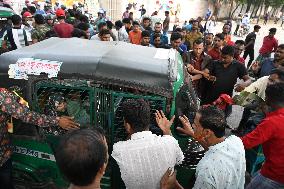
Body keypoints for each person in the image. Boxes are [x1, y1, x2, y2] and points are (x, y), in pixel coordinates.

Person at [0, 88, 79, 188]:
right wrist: (57, 121)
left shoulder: (3, 96)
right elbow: (27, 116)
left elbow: (25, 113)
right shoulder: (2, 96)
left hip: (3, 156)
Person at [160, 106, 246, 189]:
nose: (192, 126)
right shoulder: (236, 142)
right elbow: (213, 150)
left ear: (207, 132)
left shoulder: (206, 170)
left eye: (195, 125)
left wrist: (174, 185)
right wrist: (193, 134)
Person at [111, 99, 184, 189]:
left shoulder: (118, 151)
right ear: (148, 121)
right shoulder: (170, 142)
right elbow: (179, 160)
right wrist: (167, 131)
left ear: (127, 125)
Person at [241, 83, 284, 189]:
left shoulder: (271, 122)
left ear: (268, 99)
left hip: (274, 174)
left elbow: (244, 143)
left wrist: (221, 140)